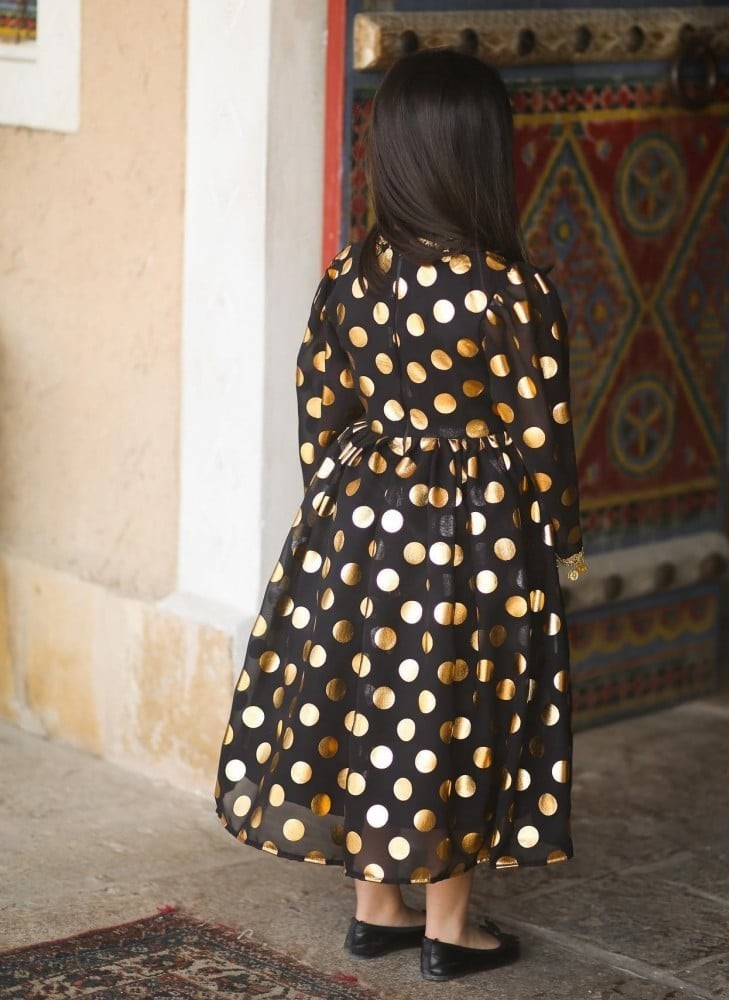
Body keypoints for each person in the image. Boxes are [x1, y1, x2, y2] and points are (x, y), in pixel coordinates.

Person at [214, 46, 588, 984]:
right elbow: (541, 432)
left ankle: (376, 908)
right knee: (457, 706)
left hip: (359, 521)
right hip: (476, 531)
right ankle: (448, 929)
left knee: (374, 695)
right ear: (481, 155)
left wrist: (338, 509)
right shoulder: (511, 291)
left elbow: (319, 402)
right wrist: (562, 538)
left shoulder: (353, 273)